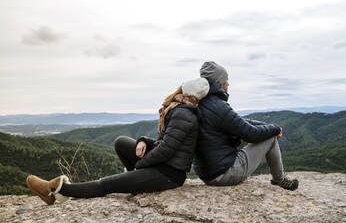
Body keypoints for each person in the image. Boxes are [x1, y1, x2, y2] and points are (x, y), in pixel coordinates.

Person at [26, 77, 210, 205]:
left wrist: (141, 166)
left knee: (106, 184)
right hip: (161, 165)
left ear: (186, 91)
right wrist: (144, 140)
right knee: (121, 142)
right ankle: (135, 182)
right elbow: (164, 142)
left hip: (168, 173)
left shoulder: (183, 114)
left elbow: (167, 149)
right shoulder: (179, 109)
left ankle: (57, 191)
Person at [193, 61, 299, 190]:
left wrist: (266, 125)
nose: (228, 83)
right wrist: (275, 129)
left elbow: (239, 122)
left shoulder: (202, 103)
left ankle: (279, 178)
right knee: (270, 136)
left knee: (265, 131)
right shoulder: (218, 106)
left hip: (207, 172)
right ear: (219, 83)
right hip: (224, 174)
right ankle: (280, 179)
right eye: (226, 80)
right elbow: (251, 134)